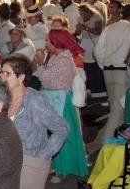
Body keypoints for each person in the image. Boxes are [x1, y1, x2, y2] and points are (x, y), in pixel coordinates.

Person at [0, 55, 67, 189]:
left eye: (7, 73)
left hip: (28, 163)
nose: (2, 77)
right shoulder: (3, 98)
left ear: (21, 77)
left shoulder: (34, 101)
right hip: (5, 162)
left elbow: (61, 129)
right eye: (1, 72)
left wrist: (41, 158)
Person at [35, 29, 89, 180]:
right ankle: (58, 166)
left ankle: (63, 170)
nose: (45, 43)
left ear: (56, 43)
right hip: (52, 98)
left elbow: (46, 78)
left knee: (62, 136)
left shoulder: (64, 60)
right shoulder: (56, 57)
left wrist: (40, 63)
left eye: (48, 41)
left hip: (60, 101)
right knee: (55, 135)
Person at [95, 4, 130, 140]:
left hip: (108, 71)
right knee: (118, 108)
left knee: (115, 106)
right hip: (123, 72)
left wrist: (104, 65)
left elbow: (97, 50)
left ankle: (117, 139)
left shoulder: (109, 28)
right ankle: (105, 141)